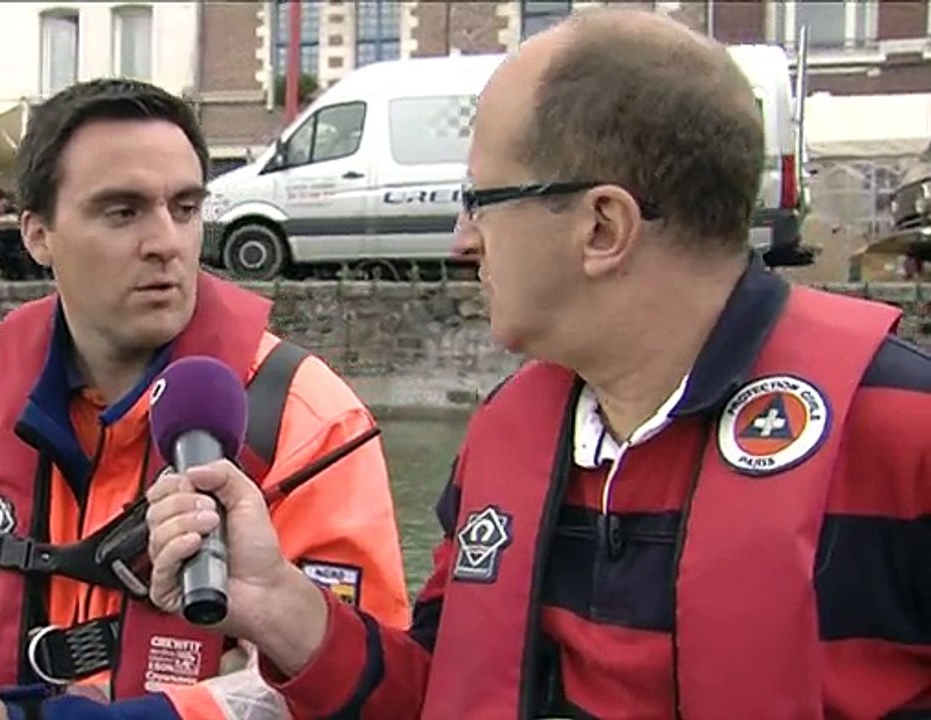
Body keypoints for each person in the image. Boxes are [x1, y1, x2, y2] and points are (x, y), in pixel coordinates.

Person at [142, 8, 931, 720]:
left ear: (601, 227)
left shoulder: (901, 432)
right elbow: (438, 696)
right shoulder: (504, 439)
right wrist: (278, 601)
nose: (460, 239)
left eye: (480, 198)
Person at [0, 78, 410, 720]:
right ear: (39, 235)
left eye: (184, 208)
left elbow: (347, 686)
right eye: (122, 211)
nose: (166, 242)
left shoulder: (309, 418)